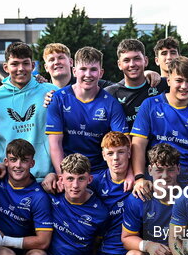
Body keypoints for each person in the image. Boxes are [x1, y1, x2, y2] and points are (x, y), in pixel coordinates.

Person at [131, 56, 188, 188]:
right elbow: (138, 145)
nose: (184, 86)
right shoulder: (150, 105)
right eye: (179, 81)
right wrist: (139, 178)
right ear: (168, 80)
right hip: (158, 175)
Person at [44, 47, 127, 187]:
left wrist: (129, 174)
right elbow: (55, 144)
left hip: (100, 173)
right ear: (74, 71)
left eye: (93, 69)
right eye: (83, 69)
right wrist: (63, 177)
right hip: (69, 173)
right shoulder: (58, 99)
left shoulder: (111, 103)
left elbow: (124, 143)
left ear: (101, 73)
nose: (88, 74)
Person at [0, 42, 59, 181]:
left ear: (33, 66)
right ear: (6, 67)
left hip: (43, 177)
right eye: (15, 64)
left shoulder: (51, 92)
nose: (20, 69)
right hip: (5, 176)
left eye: (25, 63)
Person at [88, 131, 136, 255]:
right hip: (107, 252)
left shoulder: (140, 183)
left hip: (132, 250)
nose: (116, 158)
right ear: (103, 155)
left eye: (121, 152)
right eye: (111, 153)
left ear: (129, 153)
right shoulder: (96, 182)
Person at [105, 39, 169, 131]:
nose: (132, 64)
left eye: (137, 59)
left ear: (145, 61)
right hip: (126, 144)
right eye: (126, 60)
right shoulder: (110, 93)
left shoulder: (161, 84)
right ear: (119, 64)